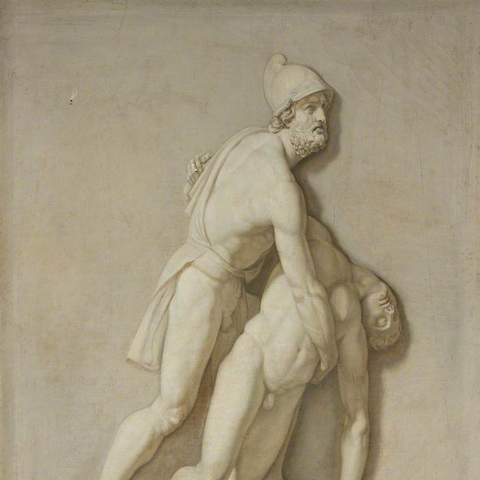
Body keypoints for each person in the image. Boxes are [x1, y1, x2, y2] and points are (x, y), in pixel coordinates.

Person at [100, 54, 338, 480]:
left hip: (223, 290)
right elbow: (304, 288)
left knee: (249, 398)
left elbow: (211, 206)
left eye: (324, 108)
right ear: (285, 115)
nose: (322, 118)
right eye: (310, 108)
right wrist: (328, 351)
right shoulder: (281, 189)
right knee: (171, 409)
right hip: (205, 287)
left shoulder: (247, 142)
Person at [171, 217, 402, 480]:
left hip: (285, 398)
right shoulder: (317, 239)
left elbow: (357, 423)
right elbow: (270, 204)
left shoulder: (352, 330)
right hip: (252, 363)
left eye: (384, 323)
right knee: (212, 474)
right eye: (393, 312)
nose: (390, 310)